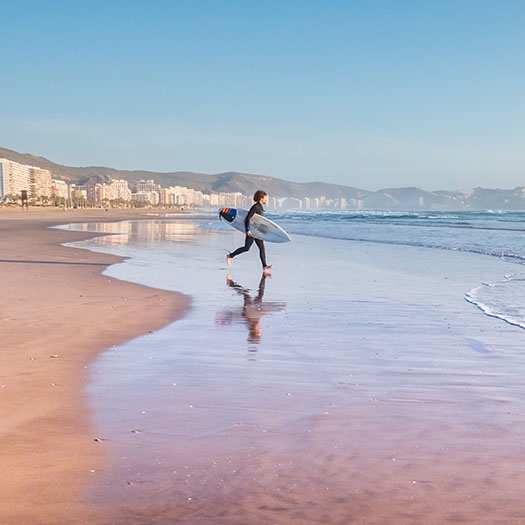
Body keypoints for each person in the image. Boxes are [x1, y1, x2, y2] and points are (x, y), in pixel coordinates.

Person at [226, 190, 273, 275]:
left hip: (257, 231)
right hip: (252, 231)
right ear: (261, 198)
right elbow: (248, 218)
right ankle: (230, 256)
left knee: (262, 248)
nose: (266, 199)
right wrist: (248, 230)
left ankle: (264, 266)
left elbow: (258, 220)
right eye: (265, 198)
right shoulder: (256, 207)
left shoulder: (260, 207)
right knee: (246, 248)